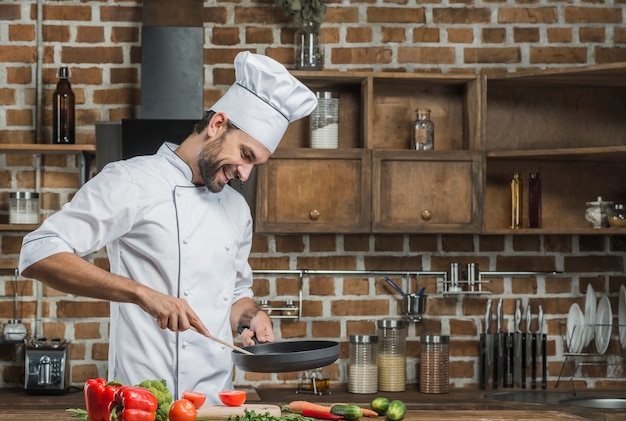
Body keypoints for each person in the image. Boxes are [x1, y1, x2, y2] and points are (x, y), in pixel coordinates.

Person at [18, 51, 318, 401]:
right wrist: (142, 294)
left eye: (256, 164)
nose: (245, 173)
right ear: (217, 125)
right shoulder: (131, 181)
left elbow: (234, 293)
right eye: (246, 155)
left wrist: (250, 315)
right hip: (141, 401)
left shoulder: (237, 209)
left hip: (214, 402)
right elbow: (38, 252)